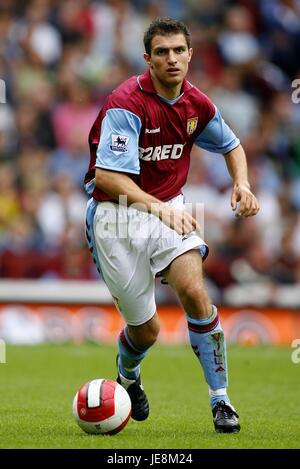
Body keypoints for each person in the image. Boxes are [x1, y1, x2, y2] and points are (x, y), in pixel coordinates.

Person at [84, 17, 259, 433]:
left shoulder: (197, 103)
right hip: (116, 215)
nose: (172, 59)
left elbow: (231, 144)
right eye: (161, 52)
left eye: (179, 50)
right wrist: (158, 209)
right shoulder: (126, 102)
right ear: (147, 58)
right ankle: (128, 376)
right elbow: (107, 177)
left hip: (170, 208)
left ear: (190, 54)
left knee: (196, 293)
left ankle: (221, 401)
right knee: (146, 330)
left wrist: (243, 183)